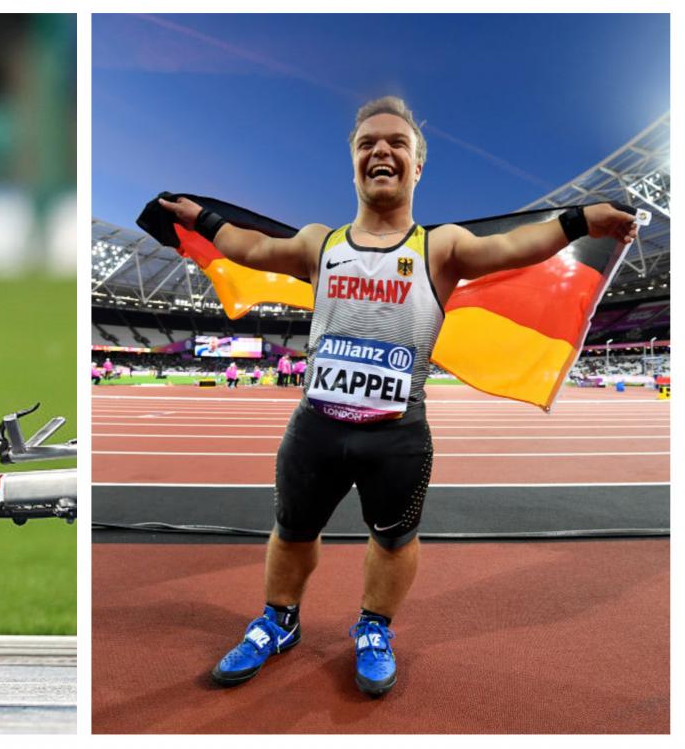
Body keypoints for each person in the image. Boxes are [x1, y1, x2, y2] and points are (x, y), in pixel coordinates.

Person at [158, 96, 638, 697]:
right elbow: (248, 248)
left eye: (396, 144)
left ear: (416, 167)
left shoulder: (441, 248)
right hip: (316, 428)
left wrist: (580, 221)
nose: (381, 151)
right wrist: (197, 219)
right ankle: (279, 622)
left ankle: (374, 628)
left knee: (393, 539)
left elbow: (516, 247)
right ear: (353, 163)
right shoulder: (319, 244)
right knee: (292, 531)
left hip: (396, 436)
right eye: (367, 144)